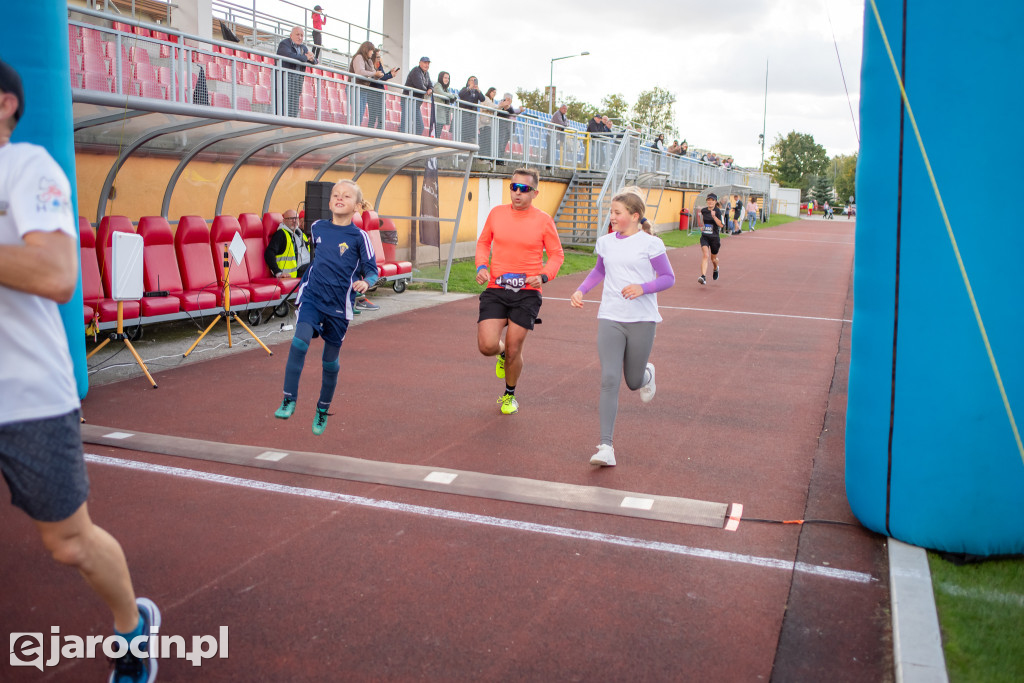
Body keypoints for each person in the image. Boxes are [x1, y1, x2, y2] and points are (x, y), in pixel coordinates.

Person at [0, 59, 161, 683]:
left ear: (5, 104)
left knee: (68, 542)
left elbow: (57, 275)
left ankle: (132, 627)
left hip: (28, 396)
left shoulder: (27, 168)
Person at [570, 190, 675, 467]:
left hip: (642, 320)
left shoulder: (651, 244)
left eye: (617, 213)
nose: (612, 217)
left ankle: (647, 374)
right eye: (612, 212)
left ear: (634, 216)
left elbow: (668, 278)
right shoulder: (605, 242)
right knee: (609, 379)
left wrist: (643, 288)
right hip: (611, 317)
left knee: (632, 381)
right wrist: (581, 290)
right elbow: (599, 272)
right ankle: (606, 446)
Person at [274, 180, 379, 435]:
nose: (339, 198)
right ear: (330, 202)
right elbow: (318, 258)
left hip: (339, 307)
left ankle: (322, 409)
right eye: (335, 195)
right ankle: (289, 399)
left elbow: (373, 271)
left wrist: (366, 282)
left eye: (346, 196)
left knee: (329, 362)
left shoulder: (360, 237)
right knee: (299, 342)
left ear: (356, 206)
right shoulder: (317, 227)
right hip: (312, 296)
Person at [475, 168, 564, 415]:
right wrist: (482, 266)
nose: (517, 193)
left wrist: (544, 275)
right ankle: (501, 354)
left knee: (515, 347)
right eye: (513, 187)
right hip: (496, 287)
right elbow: (483, 243)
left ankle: (509, 395)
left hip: (527, 292)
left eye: (524, 189)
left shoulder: (544, 220)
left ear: (535, 193)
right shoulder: (496, 214)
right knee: (486, 345)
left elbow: (557, 255)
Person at [277, 26, 317, 117]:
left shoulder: (303, 47)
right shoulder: (284, 44)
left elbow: (315, 61)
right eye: (297, 34)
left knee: (293, 110)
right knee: (282, 110)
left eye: (302, 35)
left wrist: (311, 58)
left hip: (296, 83)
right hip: (284, 82)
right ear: (291, 35)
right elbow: (289, 55)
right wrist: (305, 58)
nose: (300, 37)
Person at [350, 41, 388, 129]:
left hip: (363, 90)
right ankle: (353, 133)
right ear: (366, 50)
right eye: (371, 50)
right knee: (357, 115)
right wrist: (374, 74)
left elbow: (373, 73)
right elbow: (360, 72)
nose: (372, 52)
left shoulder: (369, 60)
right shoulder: (359, 57)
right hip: (356, 88)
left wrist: (378, 75)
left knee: (360, 114)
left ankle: (355, 132)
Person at [265, 209, 311, 280]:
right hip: (296, 271)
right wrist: (278, 272)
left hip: (307, 266)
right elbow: (269, 253)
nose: (294, 221)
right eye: (291, 218)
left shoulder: (301, 233)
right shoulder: (281, 234)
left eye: (296, 218)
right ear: (284, 221)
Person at [697, 193, 724, 285]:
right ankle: (703, 277)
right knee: (705, 255)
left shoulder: (718, 211)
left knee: (713, 259)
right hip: (705, 236)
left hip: (715, 238)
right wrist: (702, 226)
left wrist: (714, 216)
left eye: (712, 200)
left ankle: (716, 268)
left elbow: (721, 225)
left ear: (715, 201)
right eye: (708, 200)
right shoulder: (704, 210)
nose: (710, 202)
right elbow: (703, 221)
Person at [403, 56, 433, 136]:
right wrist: (427, 90)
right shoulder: (416, 71)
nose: (427, 65)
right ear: (420, 63)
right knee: (407, 125)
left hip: (415, 102)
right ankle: (404, 142)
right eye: (425, 63)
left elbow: (430, 85)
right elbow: (419, 86)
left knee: (417, 126)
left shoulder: (426, 73)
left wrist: (430, 89)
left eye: (428, 63)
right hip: (408, 101)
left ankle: (412, 142)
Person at [458, 76, 485, 144]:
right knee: (462, 135)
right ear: (468, 81)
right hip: (464, 116)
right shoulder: (465, 89)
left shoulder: (476, 92)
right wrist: (470, 87)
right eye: (471, 80)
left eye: (474, 80)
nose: (473, 82)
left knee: (470, 137)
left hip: (472, 117)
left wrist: (478, 90)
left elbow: (482, 99)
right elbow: (461, 94)